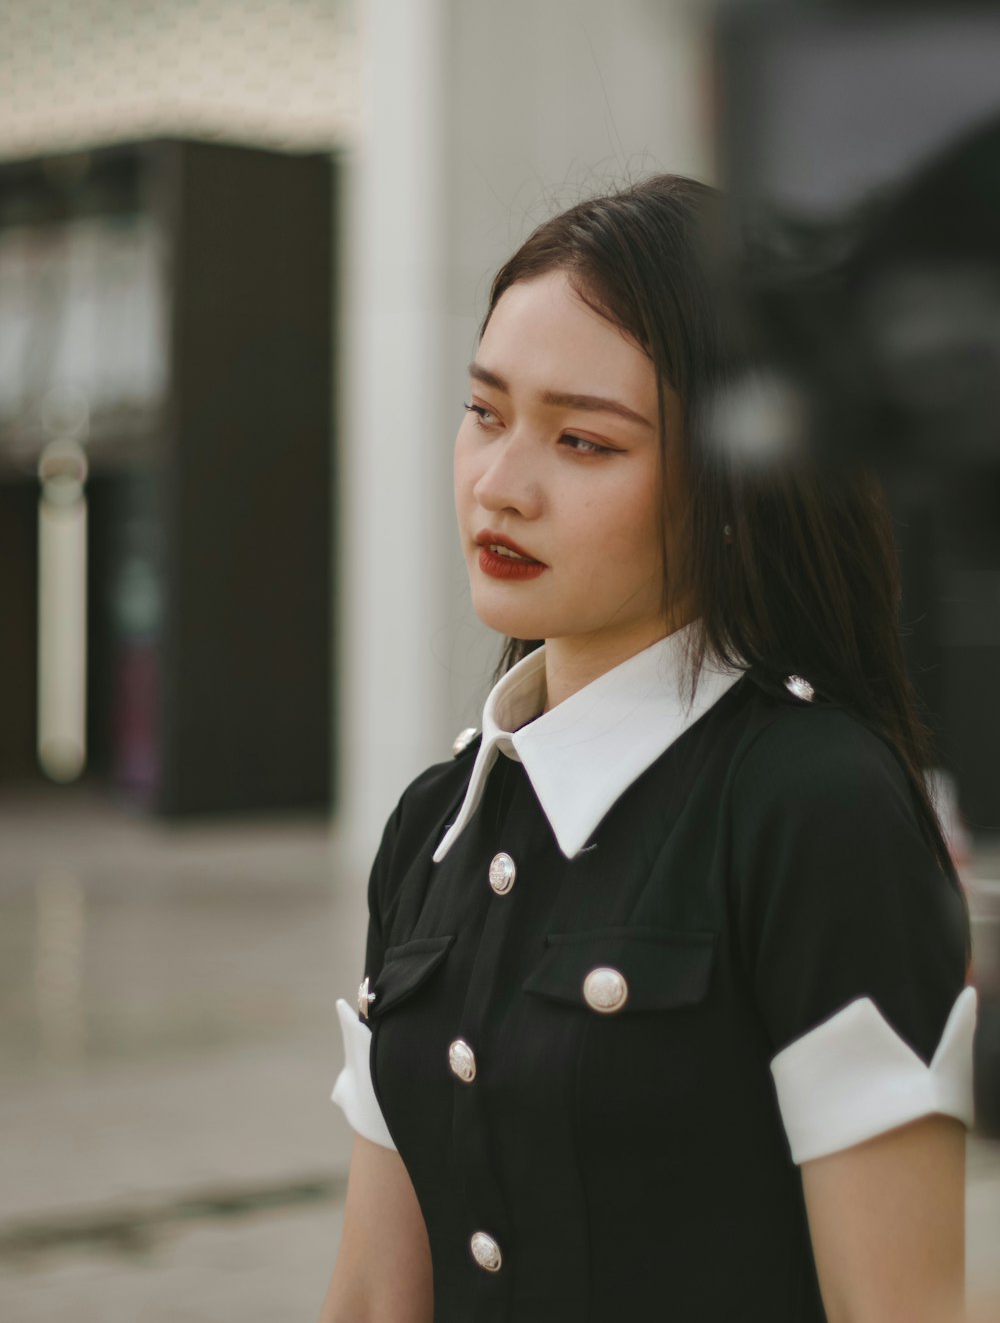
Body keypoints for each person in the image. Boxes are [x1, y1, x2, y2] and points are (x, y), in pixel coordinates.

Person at [317, 175, 975, 1323]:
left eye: (582, 440)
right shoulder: (435, 829)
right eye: (483, 412)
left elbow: (897, 1309)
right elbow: (377, 1297)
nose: (500, 485)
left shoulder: (811, 807)